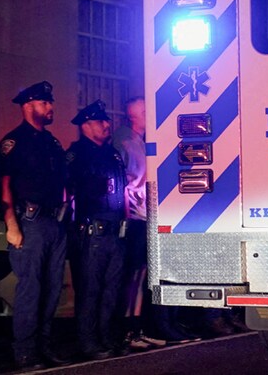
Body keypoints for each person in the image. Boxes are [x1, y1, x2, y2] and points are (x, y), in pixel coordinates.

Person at [0, 81, 69, 371]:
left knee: (52, 288)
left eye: (50, 103)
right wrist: (11, 225)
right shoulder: (13, 142)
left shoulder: (51, 142)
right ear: (28, 106)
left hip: (54, 221)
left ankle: (43, 344)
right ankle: (25, 351)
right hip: (29, 221)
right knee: (30, 288)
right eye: (44, 103)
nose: (50, 108)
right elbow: (4, 186)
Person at [66, 100, 127, 360]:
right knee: (90, 289)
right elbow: (68, 191)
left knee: (111, 288)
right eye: (100, 121)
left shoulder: (113, 154)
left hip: (116, 230)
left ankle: (105, 336)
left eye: (106, 120)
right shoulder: (76, 154)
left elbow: (122, 190)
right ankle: (87, 341)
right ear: (86, 126)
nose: (106, 124)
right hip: (91, 231)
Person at [112, 96, 164, 351]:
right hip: (132, 217)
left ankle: (137, 329)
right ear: (134, 115)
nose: (149, 114)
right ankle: (126, 331)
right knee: (131, 275)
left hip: (145, 216)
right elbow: (120, 180)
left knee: (141, 274)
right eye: (145, 111)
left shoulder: (142, 142)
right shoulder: (123, 142)